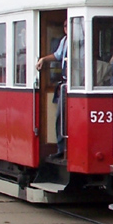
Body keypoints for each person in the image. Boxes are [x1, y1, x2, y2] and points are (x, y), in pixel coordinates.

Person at [36, 20, 68, 158]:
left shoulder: (80, 41)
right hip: (65, 83)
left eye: (69, 25)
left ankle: (66, 149)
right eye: (65, 26)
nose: (66, 28)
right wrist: (44, 59)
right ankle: (61, 148)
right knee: (60, 117)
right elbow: (58, 55)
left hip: (76, 83)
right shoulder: (65, 41)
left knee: (65, 117)